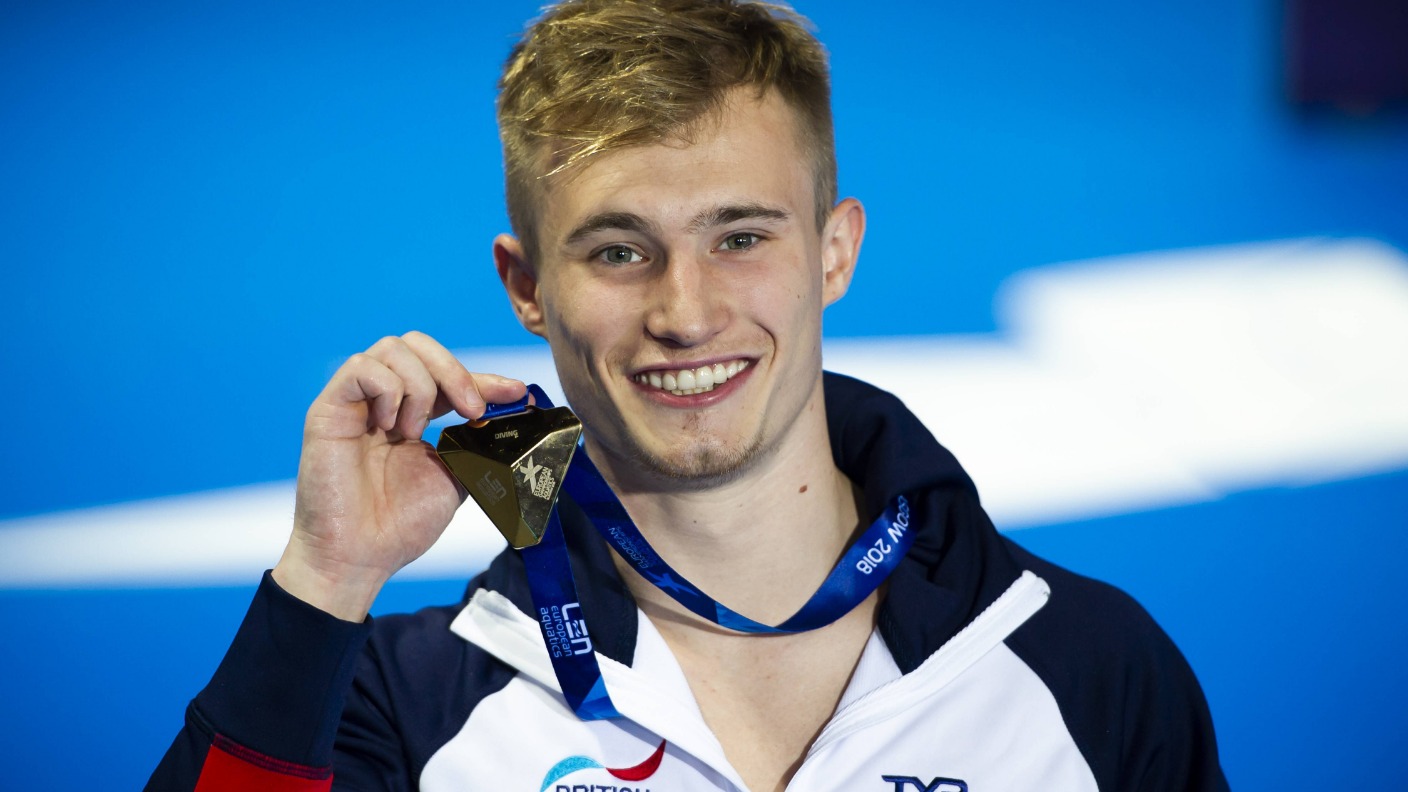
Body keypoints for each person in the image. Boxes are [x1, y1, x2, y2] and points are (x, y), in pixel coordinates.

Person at [148, 1, 1229, 790]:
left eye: (741, 237)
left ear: (834, 251)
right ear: (526, 287)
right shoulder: (412, 705)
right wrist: (322, 581)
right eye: (619, 251)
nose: (686, 310)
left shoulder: (1081, 664)